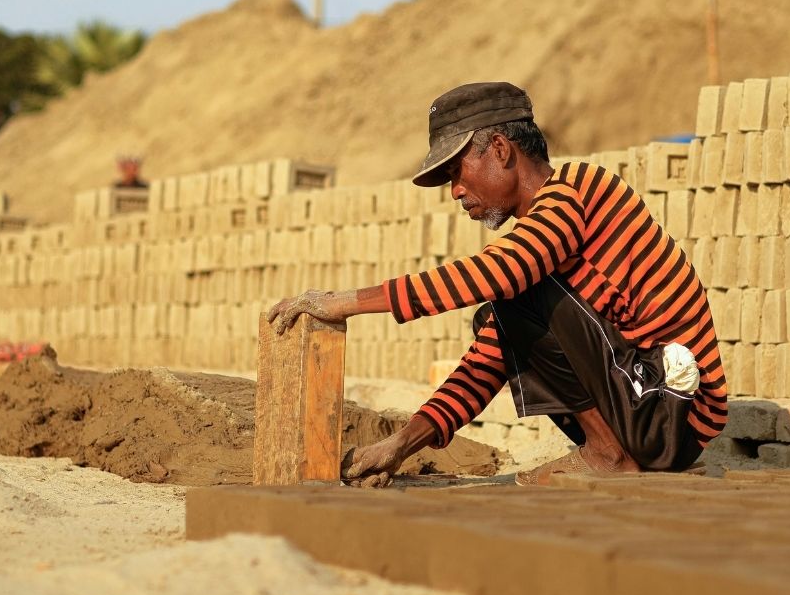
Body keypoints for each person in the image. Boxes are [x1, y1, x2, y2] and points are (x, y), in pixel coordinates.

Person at [268, 82, 727, 487]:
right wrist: (401, 445)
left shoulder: (577, 191)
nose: (456, 192)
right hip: (644, 411)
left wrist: (345, 302)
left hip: (673, 413)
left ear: (501, 150)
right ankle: (608, 448)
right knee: (500, 311)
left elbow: (501, 271)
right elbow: (487, 361)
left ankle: (609, 454)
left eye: (456, 172)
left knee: (512, 290)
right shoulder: (538, 245)